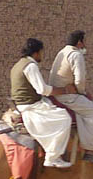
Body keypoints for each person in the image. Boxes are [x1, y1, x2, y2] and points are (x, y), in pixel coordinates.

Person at [10, 38, 73, 168]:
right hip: (31, 106)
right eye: (41, 52)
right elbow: (42, 89)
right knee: (64, 118)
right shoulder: (30, 66)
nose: (42, 56)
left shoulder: (17, 65)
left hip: (24, 104)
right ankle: (52, 157)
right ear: (36, 52)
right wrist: (65, 90)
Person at [48, 30, 93, 164]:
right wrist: (82, 92)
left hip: (57, 93)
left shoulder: (62, 52)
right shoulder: (76, 55)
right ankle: (90, 151)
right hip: (67, 95)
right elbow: (80, 81)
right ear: (80, 42)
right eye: (84, 41)